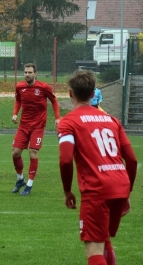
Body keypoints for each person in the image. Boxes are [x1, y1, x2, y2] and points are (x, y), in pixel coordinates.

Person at [57, 70, 137, 265]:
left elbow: (66, 160)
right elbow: (132, 160)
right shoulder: (112, 121)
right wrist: (127, 193)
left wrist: (67, 191)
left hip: (97, 189)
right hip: (120, 185)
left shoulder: (68, 122)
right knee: (104, 240)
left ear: (70, 94)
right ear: (93, 94)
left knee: (93, 249)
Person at [11, 63, 61, 196]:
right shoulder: (20, 87)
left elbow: (54, 101)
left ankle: (29, 185)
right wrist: (15, 113)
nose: (27, 74)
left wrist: (57, 118)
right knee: (15, 153)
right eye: (25, 72)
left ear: (35, 73)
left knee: (33, 152)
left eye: (30, 72)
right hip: (23, 125)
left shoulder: (43, 87)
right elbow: (18, 100)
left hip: (38, 126)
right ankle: (20, 179)